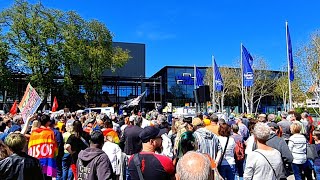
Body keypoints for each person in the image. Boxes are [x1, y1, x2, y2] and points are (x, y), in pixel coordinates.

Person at [28, 114, 57, 179]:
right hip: (47, 163)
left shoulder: (33, 133)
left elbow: (30, 147)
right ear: (48, 122)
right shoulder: (50, 133)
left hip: (35, 163)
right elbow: (54, 149)